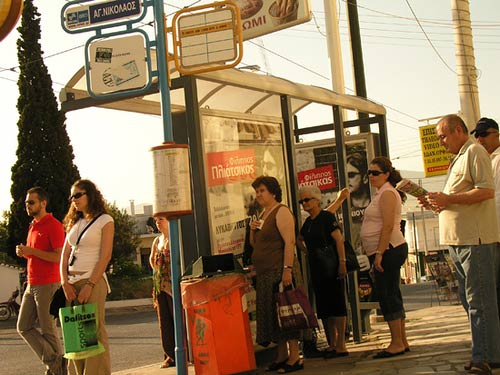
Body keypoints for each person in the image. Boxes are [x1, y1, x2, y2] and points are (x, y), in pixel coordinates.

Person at [420, 114, 500, 374]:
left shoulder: (475, 152)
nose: (441, 142)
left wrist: (448, 198)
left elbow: (486, 191)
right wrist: (436, 202)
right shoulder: (458, 159)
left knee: (479, 301)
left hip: (474, 239)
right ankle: (486, 353)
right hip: (457, 240)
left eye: (443, 136)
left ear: (457, 130)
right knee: (470, 302)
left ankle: (484, 358)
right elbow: (454, 199)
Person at [248, 176, 303, 373]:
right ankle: (282, 356)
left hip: (279, 271)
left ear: (273, 192)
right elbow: (258, 245)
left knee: (288, 314)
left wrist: (287, 270)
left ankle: (295, 357)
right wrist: (252, 231)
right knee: (275, 317)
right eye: (257, 192)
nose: (259, 195)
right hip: (265, 273)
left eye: (262, 190)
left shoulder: (282, 211)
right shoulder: (264, 213)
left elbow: (289, 242)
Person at [60, 179, 114, 375]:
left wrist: (90, 285)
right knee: (75, 333)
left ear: (89, 195)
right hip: (72, 283)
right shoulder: (74, 222)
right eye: (71, 196)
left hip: (92, 280)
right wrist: (64, 282)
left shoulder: (105, 220)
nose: (73, 200)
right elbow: (64, 254)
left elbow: (105, 255)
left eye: (77, 195)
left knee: (94, 333)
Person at [360, 156, 409, 359]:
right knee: (391, 293)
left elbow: (388, 226)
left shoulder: (388, 193)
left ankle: (396, 342)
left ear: (386, 174)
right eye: (369, 173)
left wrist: (379, 253)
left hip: (389, 249)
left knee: (387, 295)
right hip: (384, 250)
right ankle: (401, 340)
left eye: (375, 173)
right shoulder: (382, 193)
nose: (371, 176)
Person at [16, 186, 66, 375]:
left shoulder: (53, 225)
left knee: (48, 329)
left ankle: (56, 369)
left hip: (48, 283)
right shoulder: (33, 226)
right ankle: (56, 365)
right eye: (26, 203)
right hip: (32, 283)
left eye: (31, 202)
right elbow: (36, 255)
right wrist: (24, 253)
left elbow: (58, 257)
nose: (27, 206)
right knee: (23, 326)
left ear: (43, 203)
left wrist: (31, 252)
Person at [298, 186, 348, 359]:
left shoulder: (326, 217)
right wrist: (306, 251)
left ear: (316, 200)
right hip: (317, 267)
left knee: (337, 303)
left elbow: (339, 240)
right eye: (302, 201)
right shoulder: (308, 223)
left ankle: (341, 344)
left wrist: (342, 262)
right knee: (324, 307)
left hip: (331, 264)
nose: (304, 203)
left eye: (307, 199)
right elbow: (299, 238)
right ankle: (331, 344)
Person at [470, 117, 500, 324]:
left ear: (496, 134)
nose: (479, 139)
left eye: (483, 134)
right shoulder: (485, 159)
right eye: (477, 135)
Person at [149, 214, 176, 368]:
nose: (158, 223)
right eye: (156, 220)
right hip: (160, 285)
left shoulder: (174, 238)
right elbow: (152, 260)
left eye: (161, 219)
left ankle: (183, 353)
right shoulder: (156, 241)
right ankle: (169, 355)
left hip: (173, 285)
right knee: (164, 321)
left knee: (176, 319)